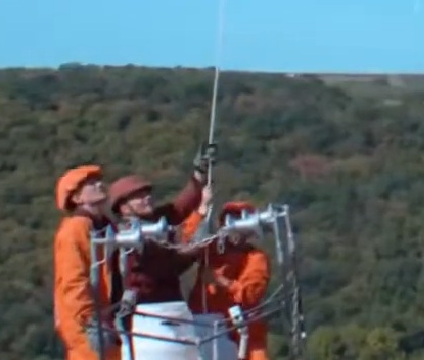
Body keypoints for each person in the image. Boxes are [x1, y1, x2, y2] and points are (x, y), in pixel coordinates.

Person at [105, 144, 214, 360]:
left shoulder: (153, 221)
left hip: (172, 312)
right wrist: (198, 243)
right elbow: (168, 266)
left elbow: (179, 208)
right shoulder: (128, 238)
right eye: (138, 196)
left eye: (147, 194)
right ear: (123, 207)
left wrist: (199, 175)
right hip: (149, 317)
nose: (147, 198)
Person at [184, 201, 273, 360]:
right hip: (205, 330)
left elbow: (250, 295)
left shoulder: (256, 258)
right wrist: (200, 213)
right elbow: (185, 242)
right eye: (229, 220)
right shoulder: (209, 249)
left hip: (243, 334)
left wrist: (221, 281)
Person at [52, 164, 120, 360]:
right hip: (88, 325)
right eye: (90, 183)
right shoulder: (75, 229)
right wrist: (89, 321)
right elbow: (73, 281)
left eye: (98, 180)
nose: (99, 185)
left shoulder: (105, 225)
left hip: (108, 320)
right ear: (76, 198)